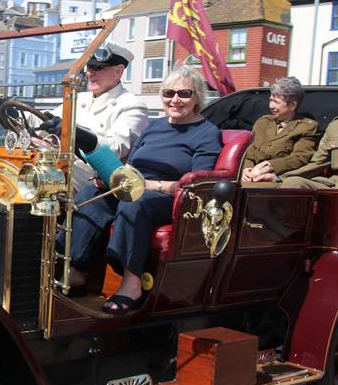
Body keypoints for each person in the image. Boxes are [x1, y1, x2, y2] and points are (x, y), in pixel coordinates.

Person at [62, 67, 221, 314]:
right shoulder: (154, 127)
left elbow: (197, 185)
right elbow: (131, 165)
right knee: (88, 196)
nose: (175, 99)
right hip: (134, 187)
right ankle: (74, 272)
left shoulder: (208, 134)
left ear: (198, 97)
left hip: (172, 198)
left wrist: (149, 185)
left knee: (136, 201)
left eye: (184, 93)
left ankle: (132, 283)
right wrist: (109, 177)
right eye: (169, 93)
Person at [37, 41, 149, 189]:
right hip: (63, 169)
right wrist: (6, 108)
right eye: (89, 66)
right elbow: (44, 119)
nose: (89, 73)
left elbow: (116, 150)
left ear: (118, 71)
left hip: (95, 182)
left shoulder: (132, 106)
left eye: (98, 67)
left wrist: (78, 134)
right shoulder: (78, 98)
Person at [241, 77, 318, 184]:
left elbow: (299, 158)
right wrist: (246, 169)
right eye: (271, 100)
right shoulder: (263, 123)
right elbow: (248, 153)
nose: (271, 106)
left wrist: (269, 166)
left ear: (292, 105)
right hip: (251, 178)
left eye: (276, 102)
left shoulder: (306, 127)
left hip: (278, 182)